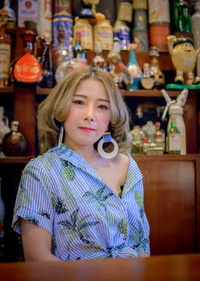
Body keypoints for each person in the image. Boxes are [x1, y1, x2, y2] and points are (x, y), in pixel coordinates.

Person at [12, 66, 150, 261]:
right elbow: (37, 259)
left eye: (102, 106)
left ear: (111, 117)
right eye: (79, 102)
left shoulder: (128, 166)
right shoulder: (40, 171)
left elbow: (143, 245)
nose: (90, 115)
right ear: (61, 108)